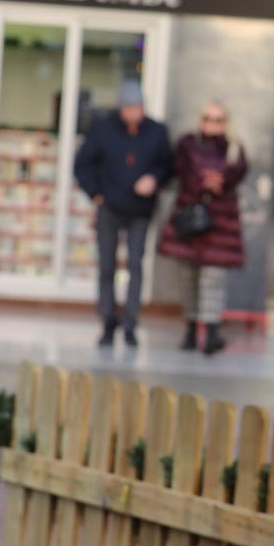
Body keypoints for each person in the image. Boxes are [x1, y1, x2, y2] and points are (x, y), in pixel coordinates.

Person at [73, 80, 172, 348]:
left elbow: (167, 166)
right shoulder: (103, 130)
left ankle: (130, 324)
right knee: (107, 266)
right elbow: (82, 165)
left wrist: (154, 179)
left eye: (138, 107)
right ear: (121, 109)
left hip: (141, 210)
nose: (134, 113)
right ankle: (107, 321)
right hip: (110, 208)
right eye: (129, 108)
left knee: (136, 265)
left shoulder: (157, 132)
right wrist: (96, 193)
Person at [157, 101, 248, 356]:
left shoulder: (234, 148)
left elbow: (238, 172)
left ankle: (210, 331)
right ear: (201, 120)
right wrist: (205, 182)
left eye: (218, 119)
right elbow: (182, 172)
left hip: (220, 226)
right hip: (190, 222)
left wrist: (219, 181)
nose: (213, 124)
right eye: (209, 118)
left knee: (213, 279)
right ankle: (189, 329)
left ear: (225, 123)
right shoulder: (187, 143)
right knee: (188, 279)